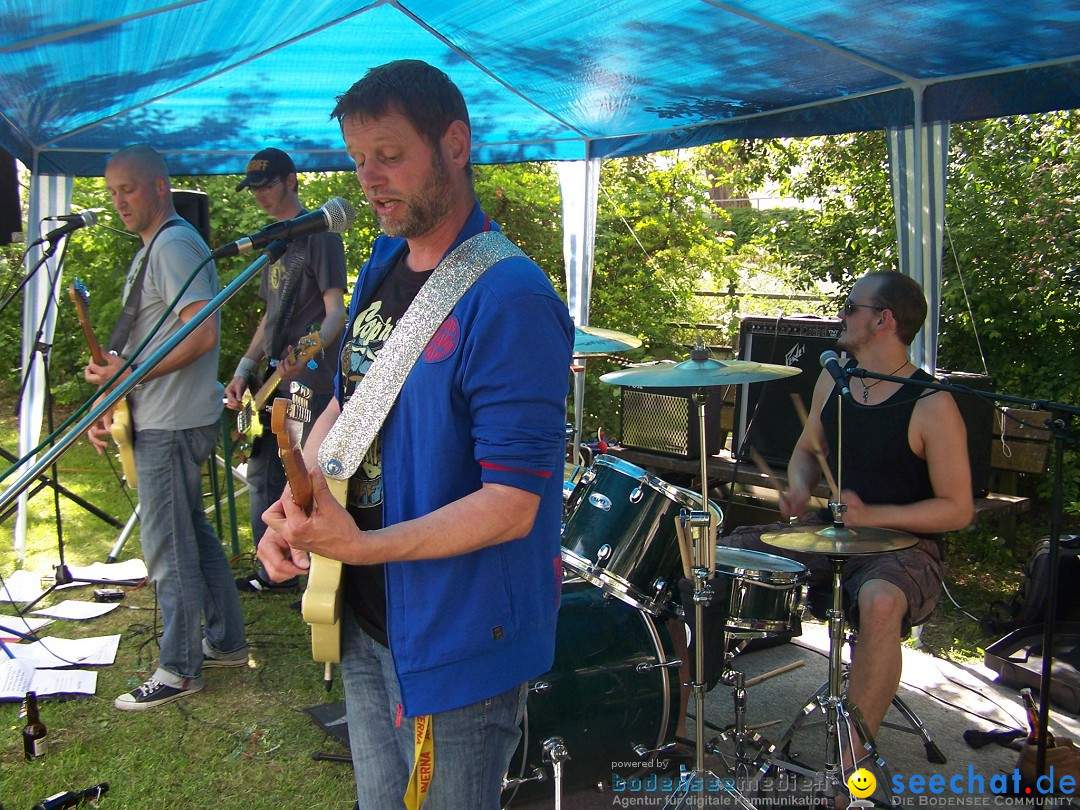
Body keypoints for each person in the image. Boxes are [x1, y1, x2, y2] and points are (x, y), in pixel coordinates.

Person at [259, 60, 573, 809]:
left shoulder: (510, 298)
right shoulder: (383, 262)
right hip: (370, 614)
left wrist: (364, 545)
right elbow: (350, 402)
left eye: (391, 155)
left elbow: (513, 504)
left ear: (455, 145)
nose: (369, 178)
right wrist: (294, 501)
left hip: (457, 639)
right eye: (359, 159)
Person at [724, 270, 973, 750]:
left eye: (850, 307)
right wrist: (798, 488)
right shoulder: (833, 379)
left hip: (907, 547)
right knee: (710, 557)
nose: (840, 314)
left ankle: (849, 769)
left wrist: (874, 513)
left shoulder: (932, 403)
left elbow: (957, 509)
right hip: (833, 530)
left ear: (883, 319)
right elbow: (806, 452)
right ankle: (675, 725)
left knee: (880, 602)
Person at [85, 144, 248, 710]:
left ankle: (179, 668)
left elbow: (200, 335)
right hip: (160, 417)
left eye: (127, 189)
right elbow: (148, 336)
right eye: (111, 192)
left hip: (173, 422)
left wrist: (127, 371)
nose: (118, 202)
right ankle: (226, 640)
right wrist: (113, 380)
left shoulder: (175, 242)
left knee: (167, 546)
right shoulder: (154, 247)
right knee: (192, 536)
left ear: (158, 187)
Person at [223, 147, 347, 594]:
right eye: (252, 187)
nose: (259, 194)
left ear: (292, 180)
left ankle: (312, 573)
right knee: (261, 473)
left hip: (309, 379)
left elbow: (337, 314)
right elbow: (269, 318)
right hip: (270, 380)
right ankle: (269, 568)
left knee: (303, 476)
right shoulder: (273, 242)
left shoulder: (323, 236)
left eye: (267, 184)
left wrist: (312, 344)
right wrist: (243, 367)